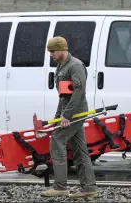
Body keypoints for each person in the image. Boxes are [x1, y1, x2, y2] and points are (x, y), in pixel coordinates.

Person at [40, 36, 97, 199]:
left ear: (61, 49)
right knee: (79, 149)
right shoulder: (60, 66)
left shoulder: (76, 66)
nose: (50, 54)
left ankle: (60, 186)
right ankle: (88, 187)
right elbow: (63, 96)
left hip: (76, 112)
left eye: (52, 51)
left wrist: (67, 115)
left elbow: (79, 92)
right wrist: (58, 117)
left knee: (56, 140)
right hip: (69, 112)